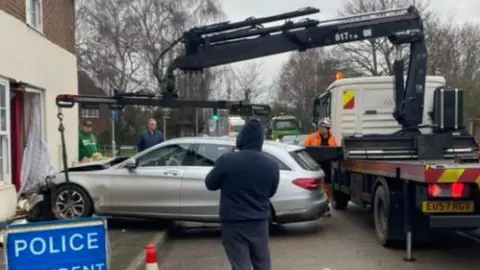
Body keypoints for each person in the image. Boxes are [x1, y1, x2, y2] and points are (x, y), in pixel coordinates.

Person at [205, 119, 280, 270]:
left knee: (240, 265)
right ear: (261, 141)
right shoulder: (271, 165)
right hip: (259, 222)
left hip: (233, 222)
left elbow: (210, 184)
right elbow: (271, 192)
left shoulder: (226, 160)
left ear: (241, 139)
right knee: (262, 263)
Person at [304, 117, 338, 216]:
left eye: (323, 127)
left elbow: (335, 150)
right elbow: (306, 150)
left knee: (328, 186)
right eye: (320, 127)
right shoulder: (312, 137)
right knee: (317, 186)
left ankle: (327, 206)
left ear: (327, 128)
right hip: (315, 165)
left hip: (327, 165)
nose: (320, 129)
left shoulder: (332, 139)